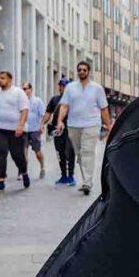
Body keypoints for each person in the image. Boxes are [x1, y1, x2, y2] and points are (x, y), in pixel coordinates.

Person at [55, 61, 111, 195]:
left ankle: (87, 182)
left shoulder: (97, 88)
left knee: (87, 151)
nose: (81, 72)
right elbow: (64, 106)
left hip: (92, 124)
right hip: (73, 125)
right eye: (79, 69)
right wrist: (59, 121)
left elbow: (104, 108)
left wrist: (108, 126)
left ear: (88, 72)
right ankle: (86, 178)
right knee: (79, 153)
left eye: (84, 70)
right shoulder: (70, 88)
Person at [41, 77, 76, 186]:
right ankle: (63, 176)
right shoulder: (54, 99)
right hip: (58, 131)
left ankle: (71, 176)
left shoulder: (74, 100)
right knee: (60, 152)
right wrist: (42, 124)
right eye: (60, 85)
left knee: (69, 152)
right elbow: (48, 113)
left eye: (64, 86)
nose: (61, 88)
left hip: (71, 130)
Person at [21, 82, 46, 180]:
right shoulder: (20, 101)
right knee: (23, 152)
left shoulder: (37, 101)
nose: (24, 91)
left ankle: (42, 167)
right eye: (23, 89)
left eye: (26, 88)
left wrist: (41, 125)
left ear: (31, 90)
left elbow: (43, 115)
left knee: (37, 152)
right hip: (24, 129)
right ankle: (23, 172)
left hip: (35, 129)